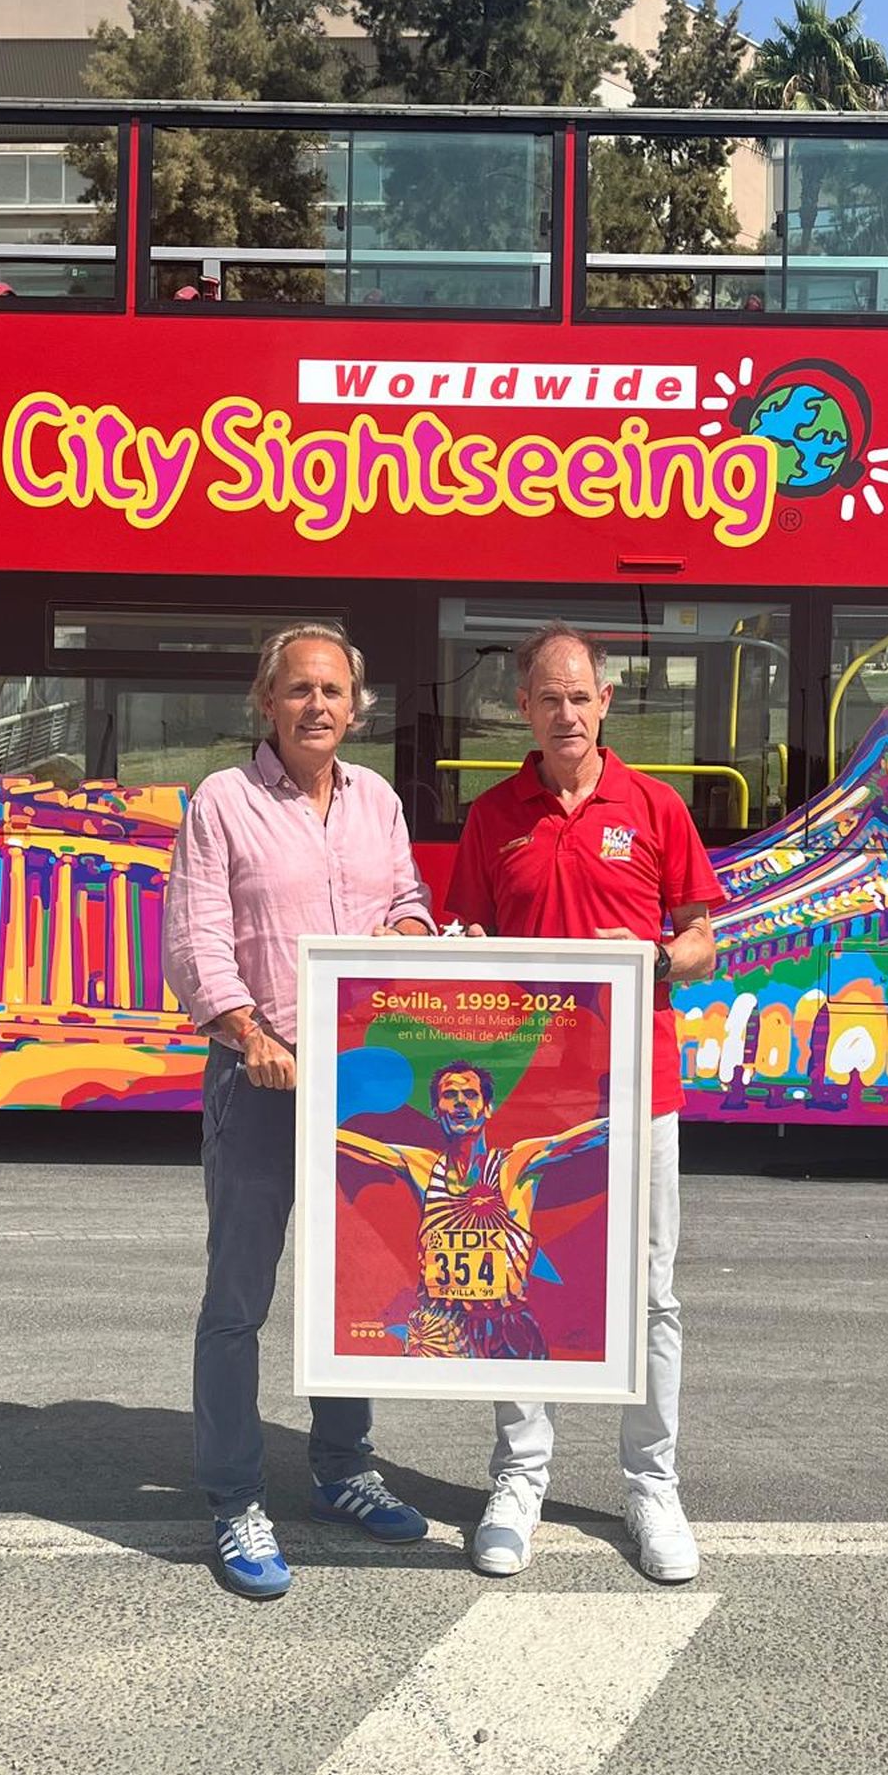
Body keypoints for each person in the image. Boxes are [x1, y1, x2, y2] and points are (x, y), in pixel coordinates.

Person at [164, 622, 436, 1598]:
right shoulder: (223, 805)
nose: (316, 705)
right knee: (237, 1305)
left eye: (332, 690)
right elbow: (197, 943)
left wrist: (410, 930)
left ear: (354, 708)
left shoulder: (380, 804)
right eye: (298, 690)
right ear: (265, 704)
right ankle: (235, 1499)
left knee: (356, 1292)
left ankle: (342, 1470)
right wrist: (251, 1037)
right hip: (262, 1079)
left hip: (362, 1084)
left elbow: (409, 902)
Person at [444, 621, 716, 1584]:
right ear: (523, 708)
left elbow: (700, 933)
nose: (566, 712)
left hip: (639, 1089)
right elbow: (465, 928)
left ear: (606, 703)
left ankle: (652, 1484)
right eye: (547, 697)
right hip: (522, 1098)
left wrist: (659, 958)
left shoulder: (654, 806)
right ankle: (519, 1475)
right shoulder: (491, 816)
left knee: (648, 1292)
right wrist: (464, 945)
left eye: (581, 695)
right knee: (514, 1285)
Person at [336, 1063, 607, 1358]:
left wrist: (638, 1109)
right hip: (439, 1327)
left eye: (470, 1094)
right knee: (433, 1402)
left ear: (487, 1107)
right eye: (450, 1095)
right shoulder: (422, 1166)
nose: (461, 1102)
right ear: (435, 1110)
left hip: (508, 1325)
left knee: (522, 1404)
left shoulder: (514, 1166)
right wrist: (305, 1112)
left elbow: (575, 1141)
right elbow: (351, 1145)